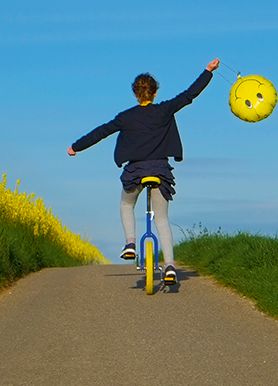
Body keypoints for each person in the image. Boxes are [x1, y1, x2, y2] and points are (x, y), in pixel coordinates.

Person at [67, 58, 220, 284]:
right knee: (162, 218)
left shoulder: (126, 117)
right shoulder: (164, 110)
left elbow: (101, 132)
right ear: (155, 93)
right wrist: (208, 71)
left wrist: (76, 147)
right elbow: (190, 94)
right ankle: (170, 266)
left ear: (135, 95)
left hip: (135, 172)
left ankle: (130, 243)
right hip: (160, 170)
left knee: (126, 204)